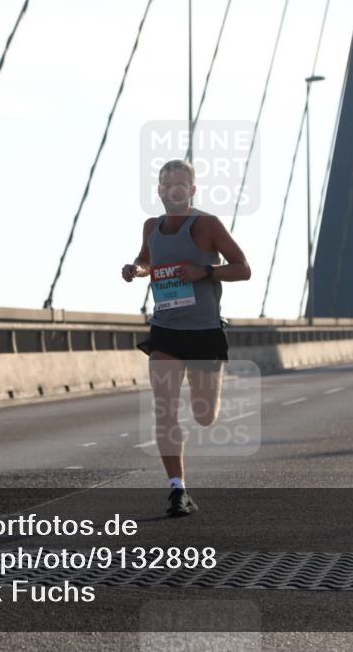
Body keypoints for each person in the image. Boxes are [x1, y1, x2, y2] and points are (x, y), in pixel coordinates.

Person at [121, 159, 251, 516]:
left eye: (181, 185)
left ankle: (201, 406)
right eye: (167, 185)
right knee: (164, 409)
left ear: (191, 190)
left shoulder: (207, 224)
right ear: (159, 191)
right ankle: (177, 490)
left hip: (205, 332)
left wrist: (204, 271)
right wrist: (136, 269)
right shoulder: (152, 226)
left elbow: (243, 268)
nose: (174, 190)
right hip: (165, 330)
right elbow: (147, 259)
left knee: (205, 414)